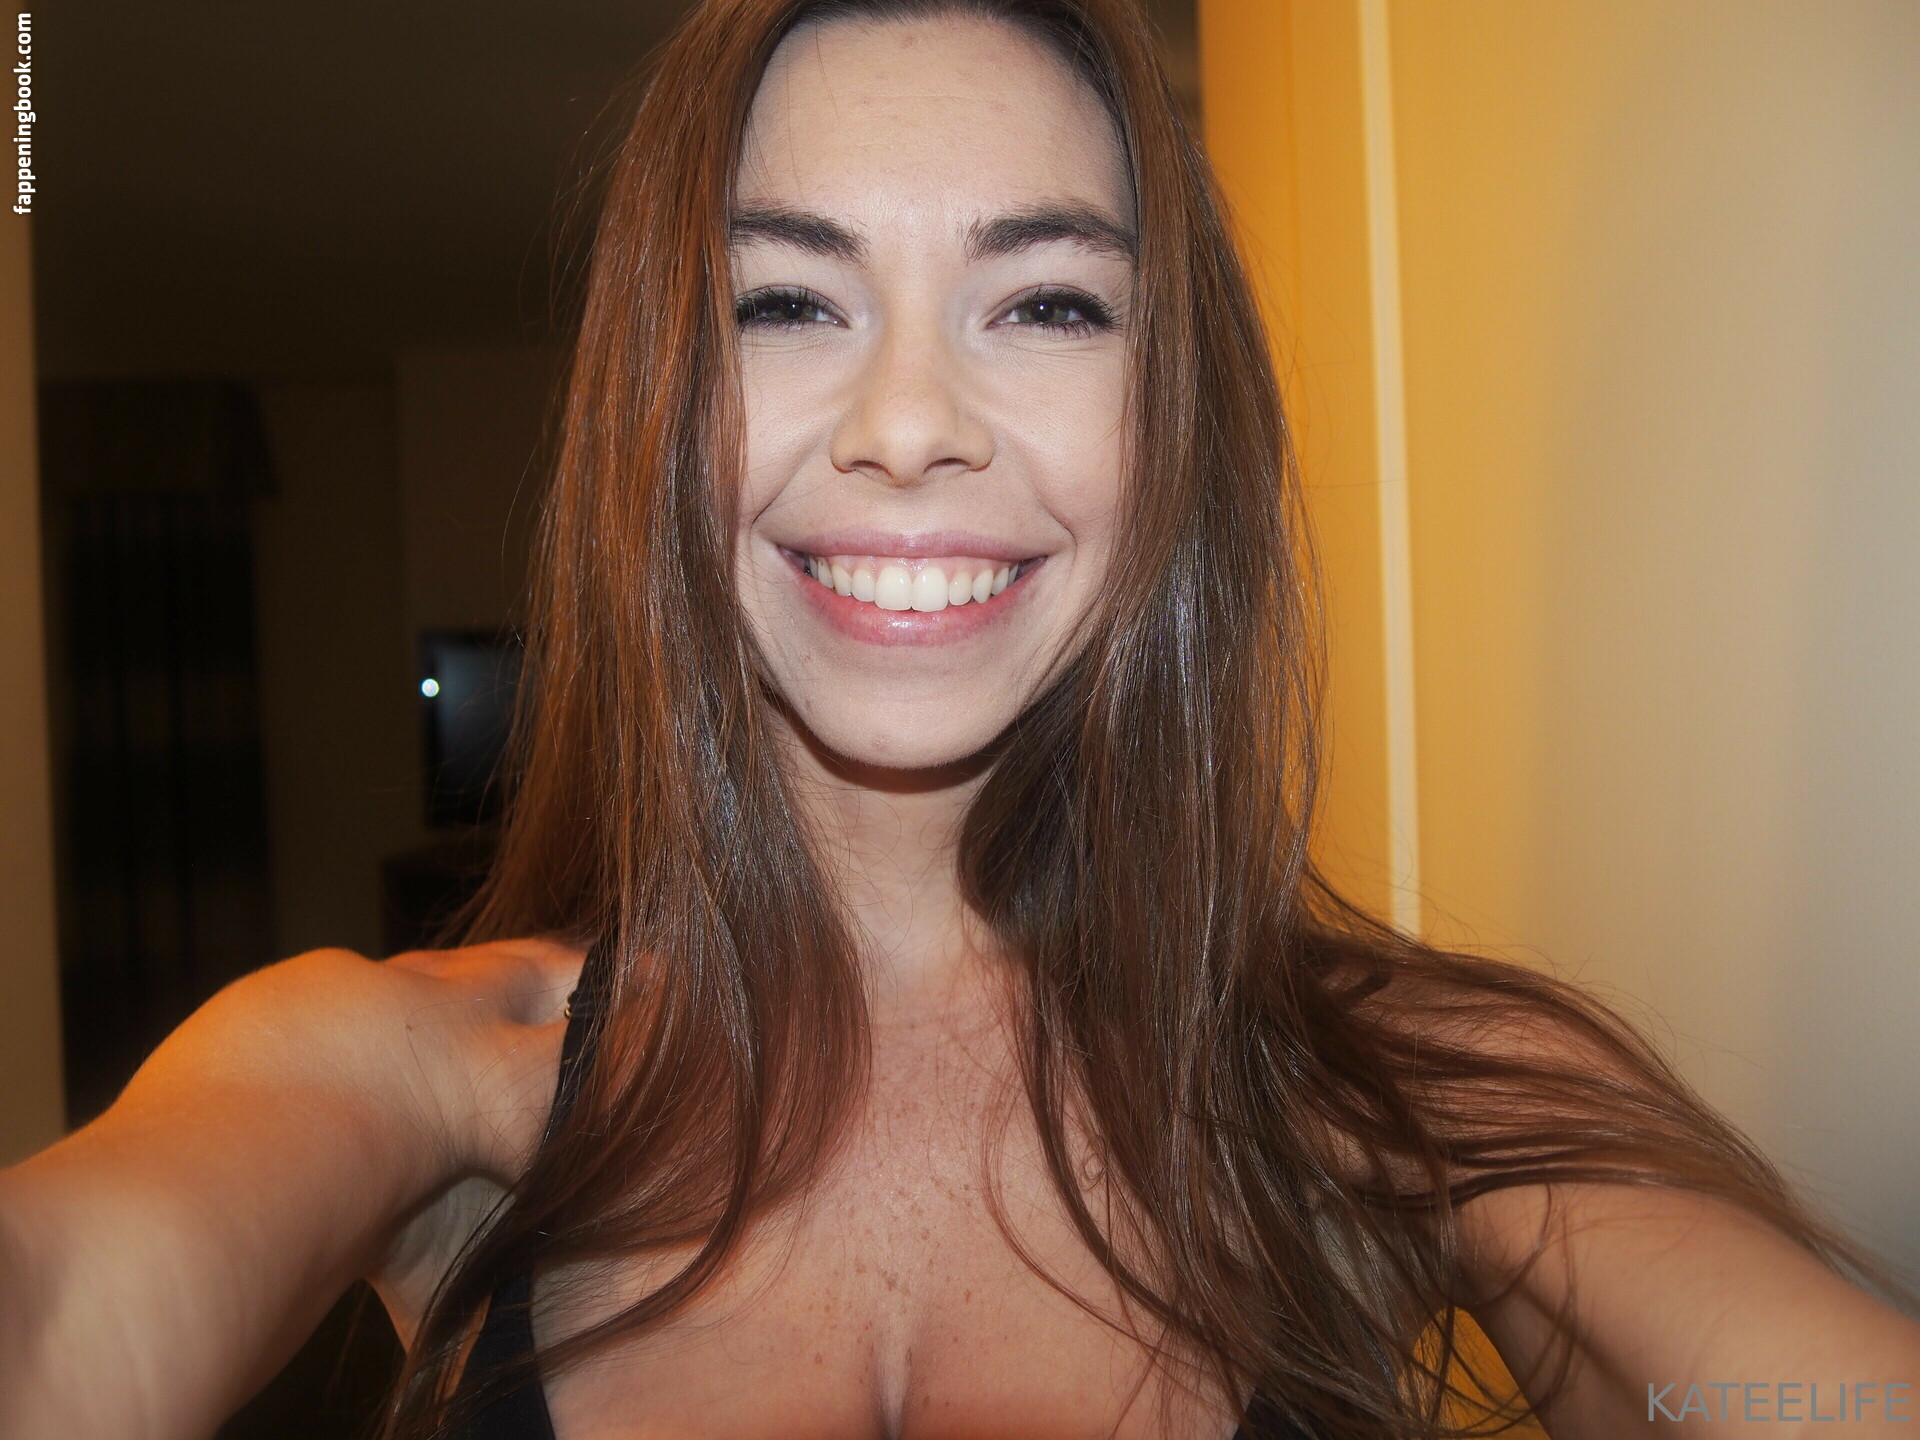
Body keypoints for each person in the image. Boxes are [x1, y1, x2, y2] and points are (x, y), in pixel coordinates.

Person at [5, 1, 1918, 1436]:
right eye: (785, 301)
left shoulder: (1388, 1092)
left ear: (1175, 423)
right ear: (658, 413)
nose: (908, 423)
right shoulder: (413, 1082)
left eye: (1049, 305)